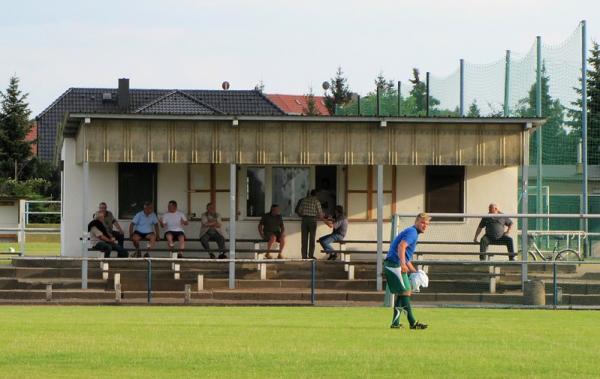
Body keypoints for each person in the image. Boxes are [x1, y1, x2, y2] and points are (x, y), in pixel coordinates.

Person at [384, 213, 430, 330]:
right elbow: (401, 246)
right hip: (395, 264)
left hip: (394, 263)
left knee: (402, 294)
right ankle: (413, 323)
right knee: (406, 291)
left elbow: (406, 256)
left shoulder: (412, 232)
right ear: (416, 222)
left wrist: (415, 272)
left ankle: (395, 323)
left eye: (427, 224)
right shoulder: (412, 232)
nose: (425, 225)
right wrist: (403, 264)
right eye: (423, 222)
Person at [295, 189, 324, 259]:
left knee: (304, 238)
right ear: (316, 194)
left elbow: (299, 212)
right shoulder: (316, 201)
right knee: (312, 238)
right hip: (313, 220)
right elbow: (320, 214)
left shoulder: (304, 200)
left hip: (304, 220)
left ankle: (304, 256)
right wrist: (324, 216)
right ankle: (311, 255)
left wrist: (305, 215)